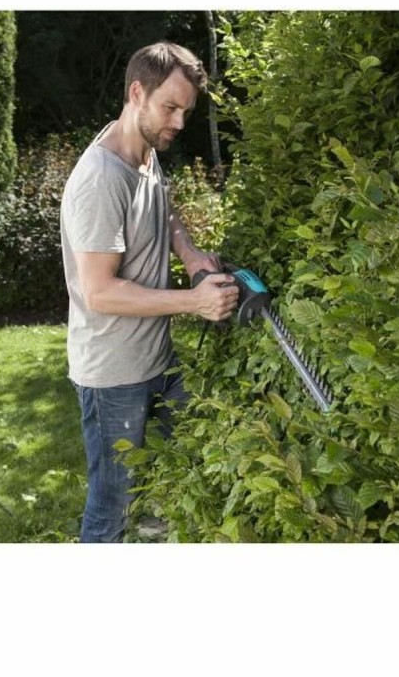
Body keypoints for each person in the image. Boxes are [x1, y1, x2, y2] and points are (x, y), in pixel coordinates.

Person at [60, 41, 240, 543]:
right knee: (112, 507)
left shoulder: (143, 151)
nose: (179, 122)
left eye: (186, 111)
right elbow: (99, 293)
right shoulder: (101, 180)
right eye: (170, 107)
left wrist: (190, 254)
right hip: (114, 375)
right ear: (137, 93)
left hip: (157, 360)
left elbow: (162, 206)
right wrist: (194, 302)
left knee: (194, 461)